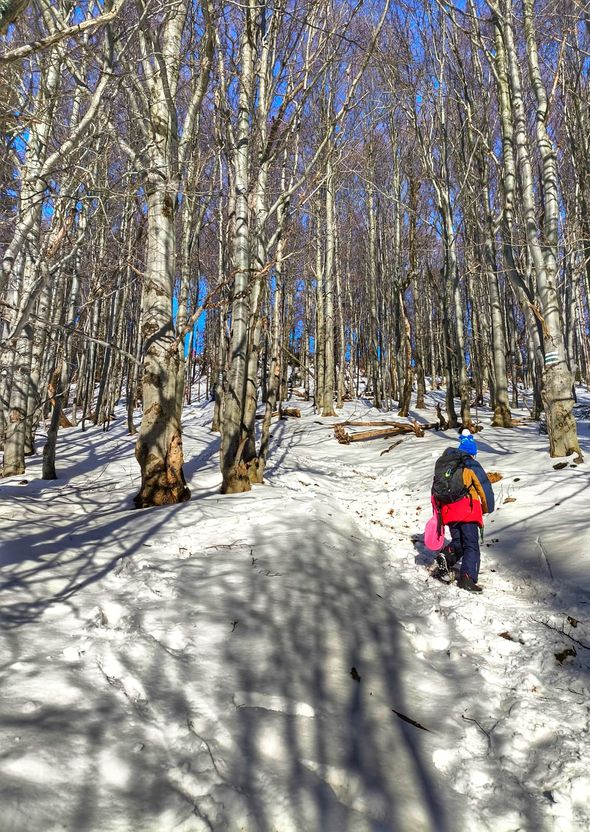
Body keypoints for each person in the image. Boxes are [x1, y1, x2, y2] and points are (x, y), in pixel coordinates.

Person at [432, 429, 495, 592]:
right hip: (468, 510)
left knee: (458, 541)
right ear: (472, 453)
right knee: (471, 545)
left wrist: (439, 512)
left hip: (448, 510)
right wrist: (487, 507)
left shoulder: (446, 464)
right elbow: (483, 486)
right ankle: (467, 578)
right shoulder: (470, 463)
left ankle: (446, 556)